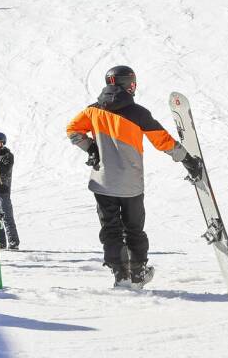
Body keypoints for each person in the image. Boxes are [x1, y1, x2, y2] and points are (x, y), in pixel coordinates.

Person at [65, 65, 201, 288]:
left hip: (102, 182)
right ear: (128, 85)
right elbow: (162, 141)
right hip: (131, 184)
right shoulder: (138, 113)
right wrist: (186, 159)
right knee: (133, 229)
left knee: (110, 229)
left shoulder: (93, 111)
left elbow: (72, 129)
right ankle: (137, 275)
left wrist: (90, 147)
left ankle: (120, 275)